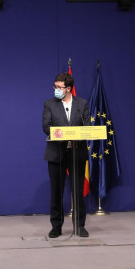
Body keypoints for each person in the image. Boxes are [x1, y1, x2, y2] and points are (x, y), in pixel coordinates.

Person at [42, 72, 91, 238]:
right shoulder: (49, 104)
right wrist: (64, 133)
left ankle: (79, 226)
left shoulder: (81, 104)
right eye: (55, 86)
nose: (56, 89)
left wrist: (73, 133)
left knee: (77, 192)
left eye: (59, 87)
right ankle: (56, 227)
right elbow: (46, 126)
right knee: (56, 192)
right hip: (56, 153)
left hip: (77, 153)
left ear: (68, 88)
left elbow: (88, 126)